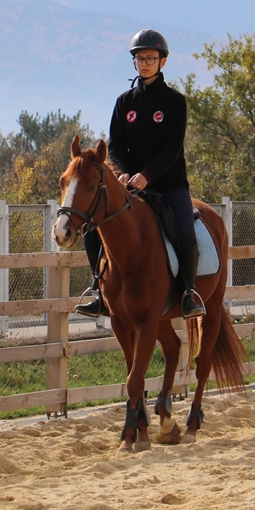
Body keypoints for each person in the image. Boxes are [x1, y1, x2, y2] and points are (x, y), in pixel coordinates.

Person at [75, 28, 206, 319]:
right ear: (134, 62)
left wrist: (147, 174)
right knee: (92, 230)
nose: (144, 62)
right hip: (129, 186)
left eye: (150, 57)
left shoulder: (175, 102)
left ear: (163, 61)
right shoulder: (124, 102)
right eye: (139, 58)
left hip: (169, 185)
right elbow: (116, 145)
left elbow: (172, 148)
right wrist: (122, 172)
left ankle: (187, 292)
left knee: (185, 232)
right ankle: (97, 289)